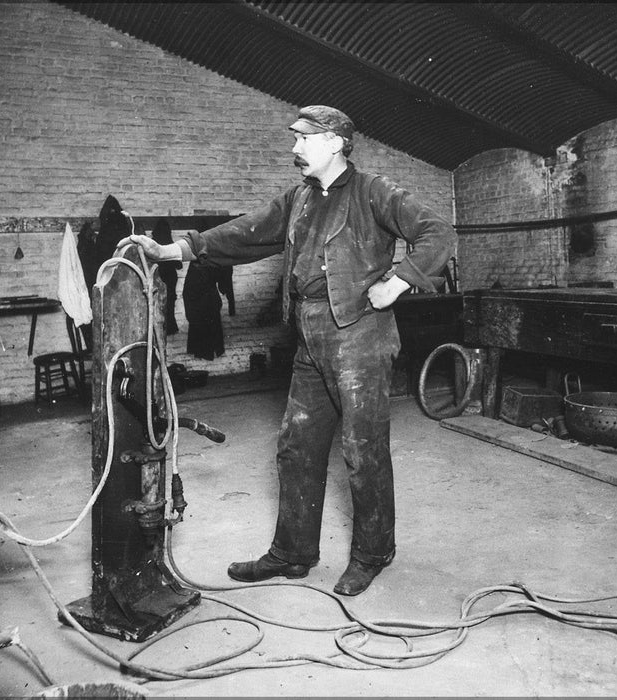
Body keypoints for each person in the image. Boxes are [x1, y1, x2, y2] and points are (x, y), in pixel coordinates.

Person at [119, 105, 456, 596]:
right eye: (294, 139)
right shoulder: (299, 199)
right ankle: (293, 552)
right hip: (310, 333)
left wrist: (399, 282)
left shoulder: (372, 192)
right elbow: (247, 231)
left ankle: (372, 553)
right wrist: (179, 250)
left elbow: (437, 232)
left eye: (304, 139)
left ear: (337, 143)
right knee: (297, 446)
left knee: (362, 451)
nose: (294, 149)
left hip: (360, 334)